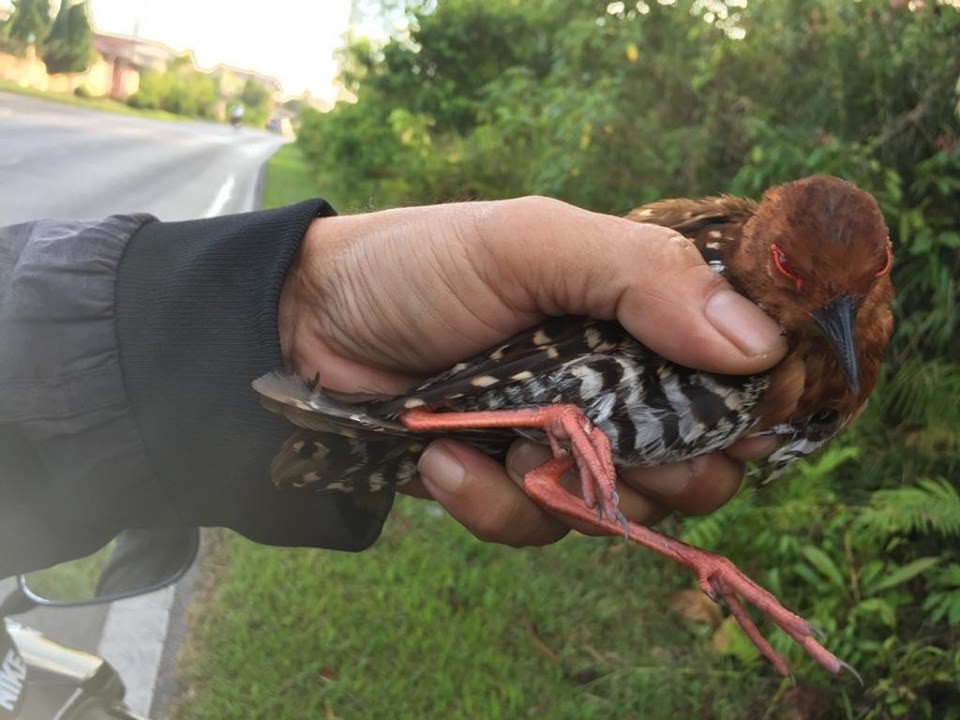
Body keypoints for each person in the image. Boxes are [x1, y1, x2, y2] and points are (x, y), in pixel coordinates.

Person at [0, 197, 785, 579]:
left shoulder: (816, 346)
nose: (834, 315)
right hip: (500, 392)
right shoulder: (721, 270)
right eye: (792, 272)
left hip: (475, 408)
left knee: (547, 477)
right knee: (546, 470)